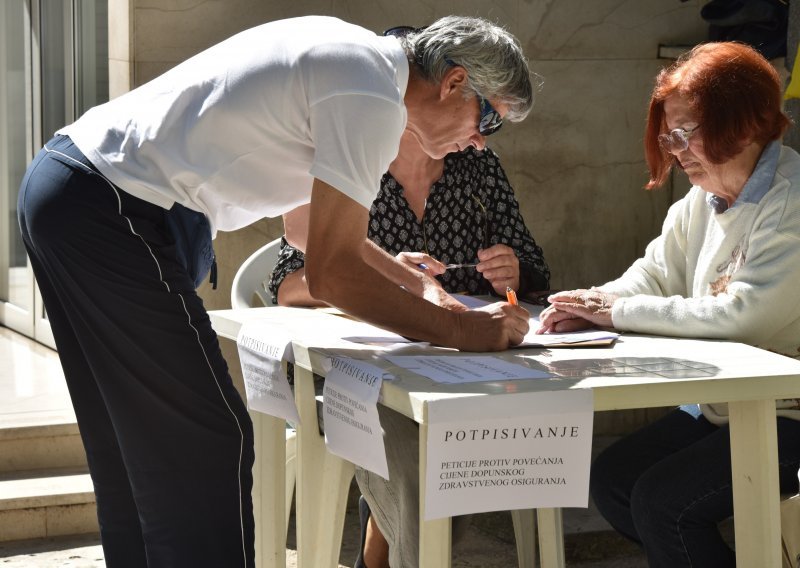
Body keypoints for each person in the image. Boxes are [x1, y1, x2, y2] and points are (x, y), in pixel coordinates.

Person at [16, 15, 535, 567]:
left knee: (134, 449)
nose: (479, 143)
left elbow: (306, 231)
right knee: (209, 442)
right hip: (109, 205)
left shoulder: (358, 63)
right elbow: (331, 274)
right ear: (454, 82)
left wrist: (421, 288)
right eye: (489, 120)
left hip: (70, 187)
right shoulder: (373, 94)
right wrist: (462, 330)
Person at [538, 42, 800, 567]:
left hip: (787, 412)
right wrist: (586, 305)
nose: (674, 149)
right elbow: (654, 275)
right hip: (725, 407)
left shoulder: (790, 200)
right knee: (613, 481)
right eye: (666, 135)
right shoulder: (699, 201)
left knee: (663, 503)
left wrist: (610, 313)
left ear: (744, 125)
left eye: (685, 133)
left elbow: (746, 316)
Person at [268, 128, 551, 568]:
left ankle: (379, 549)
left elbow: (534, 268)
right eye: (480, 116)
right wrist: (385, 279)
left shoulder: (478, 167)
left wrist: (513, 272)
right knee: (422, 451)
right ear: (441, 93)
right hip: (360, 368)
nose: (479, 139)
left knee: (461, 437)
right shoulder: (353, 165)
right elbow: (288, 285)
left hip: (466, 368)